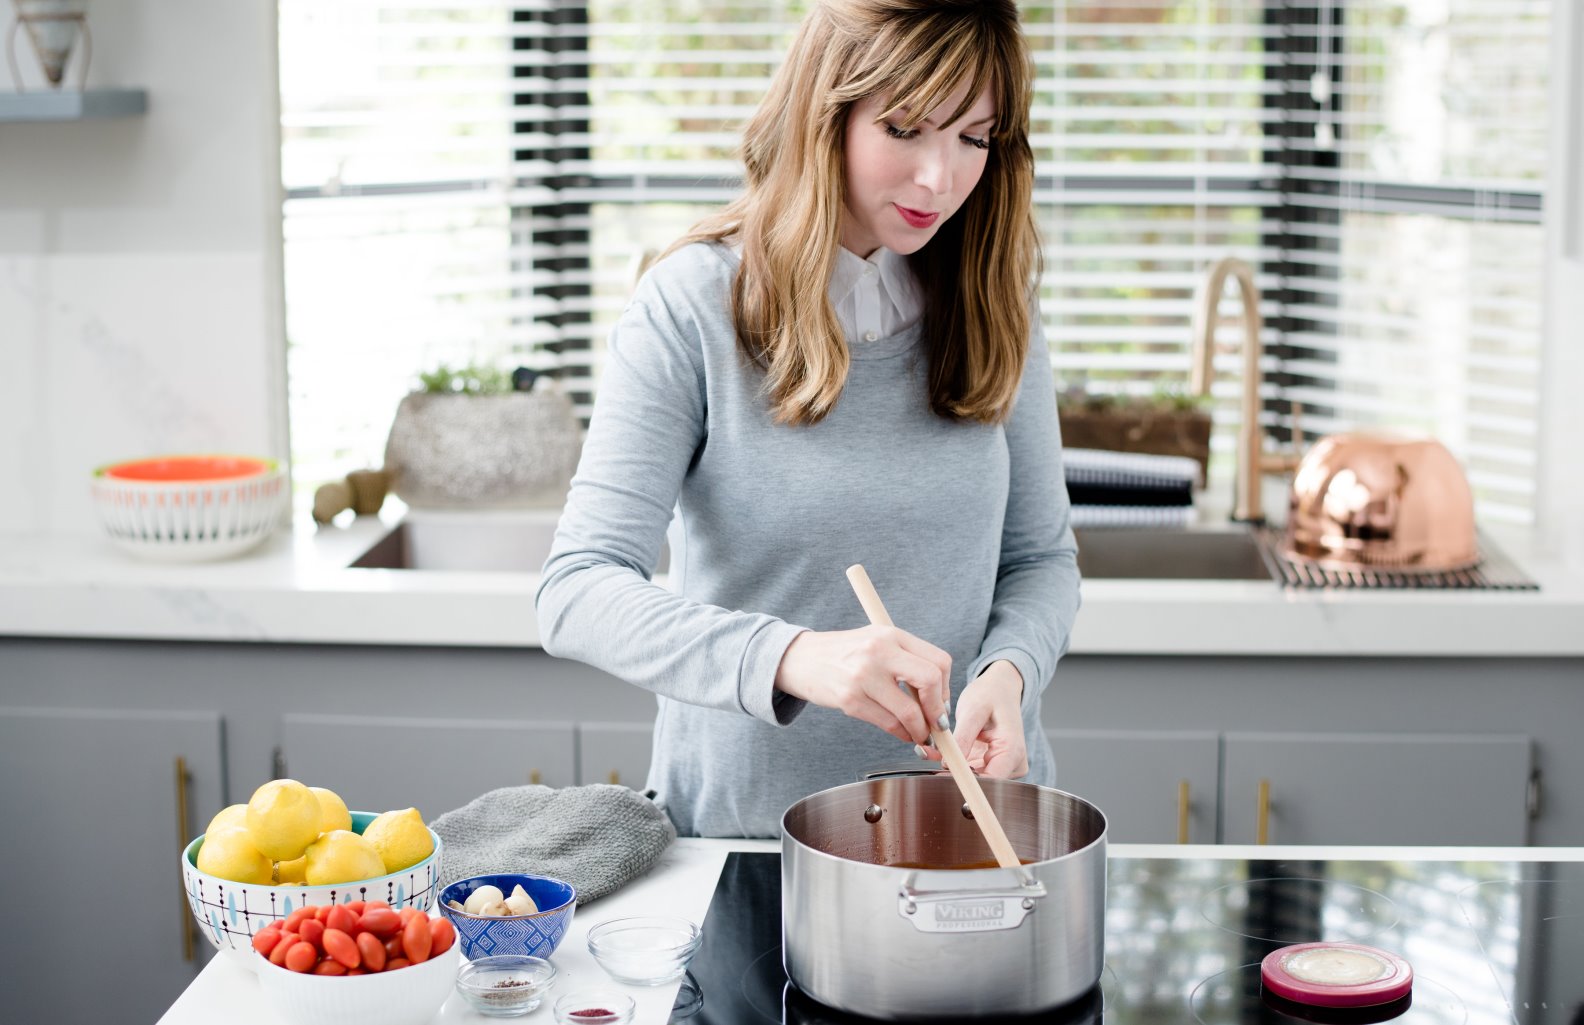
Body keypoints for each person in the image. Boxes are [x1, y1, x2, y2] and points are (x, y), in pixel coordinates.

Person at [536, 0, 1080, 839]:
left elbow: (1041, 560)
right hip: (747, 839)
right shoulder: (692, 306)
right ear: (825, 115)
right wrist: (794, 658)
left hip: (975, 831)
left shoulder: (996, 303)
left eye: (974, 138)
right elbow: (577, 590)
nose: (941, 177)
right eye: (906, 127)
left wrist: (1009, 675)